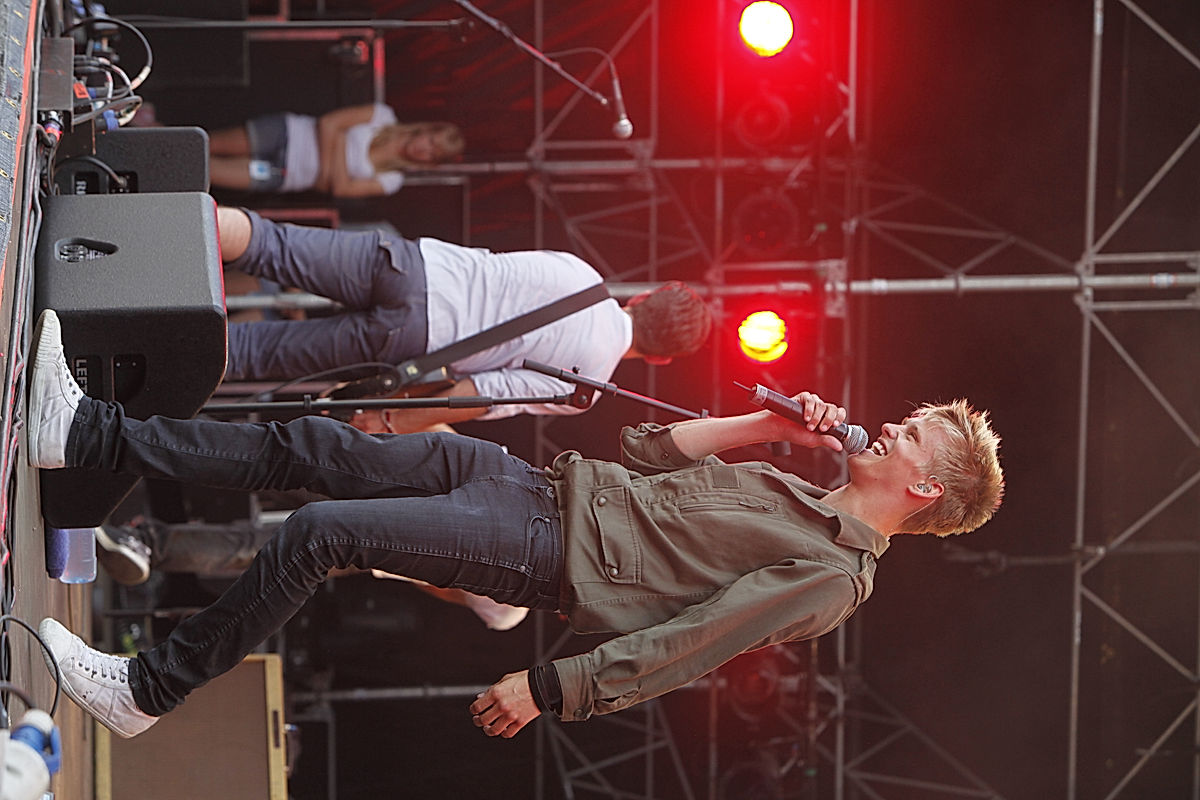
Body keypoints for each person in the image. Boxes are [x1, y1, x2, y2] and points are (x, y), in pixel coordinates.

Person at [28, 308, 1003, 740]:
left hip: (545, 551)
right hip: (535, 484)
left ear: (922, 485)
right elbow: (650, 458)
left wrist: (553, 687)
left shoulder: (832, 575)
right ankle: (82, 429)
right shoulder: (798, 486)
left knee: (320, 528)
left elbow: (695, 642)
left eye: (915, 431)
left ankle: (149, 688)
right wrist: (767, 421)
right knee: (310, 447)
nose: (897, 423)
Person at [217, 207, 712, 433]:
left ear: (645, 296)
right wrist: (388, 421)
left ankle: (165, 222)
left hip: (411, 266)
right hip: (413, 338)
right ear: (662, 358)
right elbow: (480, 397)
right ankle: (146, 337)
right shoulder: (588, 386)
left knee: (268, 243)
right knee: (252, 353)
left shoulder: (583, 274)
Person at [95, 517, 529, 631]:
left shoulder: (537, 526)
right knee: (255, 546)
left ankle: (146, 541)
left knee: (273, 460)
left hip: (391, 502)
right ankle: (148, 544)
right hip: (376, 550)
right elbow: (443, 590)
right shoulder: (511, 612)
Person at [207, 104, 464, 198]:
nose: (425, 149)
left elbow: (340, 190)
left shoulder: (392, 180)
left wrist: (339, 142)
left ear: (431, 163)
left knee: (207, 171)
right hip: (286, 133)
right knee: (205, 144)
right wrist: (328, 175)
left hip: (284, 174)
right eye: (432, 141)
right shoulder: (383, 116)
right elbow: (328, 122)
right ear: (426, 131)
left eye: (433, 153)